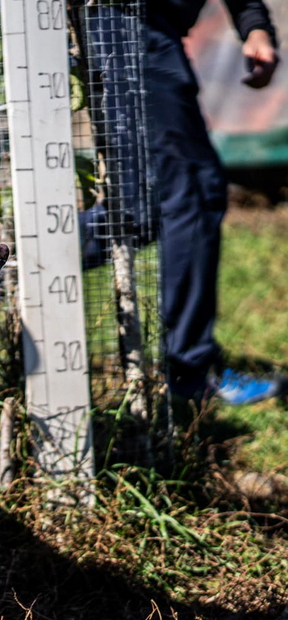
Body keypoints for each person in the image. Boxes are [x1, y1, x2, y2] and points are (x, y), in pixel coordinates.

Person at [78, 0, 281, 405]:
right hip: (126, 22)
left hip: (148, 30)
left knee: (141, 212)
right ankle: (190, 375)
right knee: (192, 192)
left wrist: (254, 25)